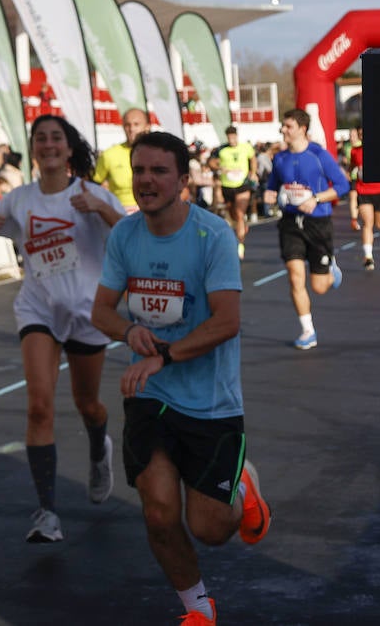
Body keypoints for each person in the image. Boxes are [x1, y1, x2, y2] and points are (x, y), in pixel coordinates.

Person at [90, 131, 270, 626]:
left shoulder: (213, 236)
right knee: (157, 514)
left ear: (183, 180)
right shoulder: (125, 235)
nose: (146, 180)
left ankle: (244, 485)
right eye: (139, 170)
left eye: (159, 171)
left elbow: (226, 321)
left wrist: (164, 355)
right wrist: (128, 331)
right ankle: (199, 610)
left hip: (210, 402)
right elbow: (101, 311)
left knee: (210, 528)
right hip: (150, 396)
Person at [0, 115, 125, 542]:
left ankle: (99, 448)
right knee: (40, 406)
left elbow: (131, 235)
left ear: (69, 149)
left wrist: (102, 210)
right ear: (33, 149)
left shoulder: (92, 193)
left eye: (57, 138)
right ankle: (47, 513)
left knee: (88, 404)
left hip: (87, 311)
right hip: (38, 308)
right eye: (41, 139)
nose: (49, 145)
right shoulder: (19, 199)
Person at [264, 108, 351, 350]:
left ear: (302, 129)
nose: (283, 130)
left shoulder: (318, 155)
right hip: (290, 223)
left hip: (318, 222)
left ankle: (331, 269)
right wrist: (270, 196)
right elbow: (272, 187)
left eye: (288, 126)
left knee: (319, 287)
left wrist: (317, 199)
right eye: (283, 126)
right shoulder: (279, 158)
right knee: (295, 275)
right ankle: (307, 330)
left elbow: (343, 185)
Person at [209, 126, 257, 259]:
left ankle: (239, 244)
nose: (231, 140)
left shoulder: (245, 147)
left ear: (237, 136)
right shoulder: (222, 149)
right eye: (229, 137)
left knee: (240, 214)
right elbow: (211, 162)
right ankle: (241, 226)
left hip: (242, 184)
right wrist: (220, 167)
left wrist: (253, 173)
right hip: (227, 185)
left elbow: (253, 159)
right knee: (232, 215)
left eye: (233, 137)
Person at [347, 127, 380, 270]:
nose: (362, 137)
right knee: (368, 223)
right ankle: (368, 257)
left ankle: (369, 254)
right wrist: (349, 173)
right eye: (360, 135)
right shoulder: (356, 151)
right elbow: (352, 165)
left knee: (379, 224)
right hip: (364, 190)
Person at [94, 108, 150, 212]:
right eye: (127, 125)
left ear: (147, 126)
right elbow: (93, 185)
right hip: (118, 215)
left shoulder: (159, 154)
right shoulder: (109, 154)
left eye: (136, 124)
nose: (131, 129)